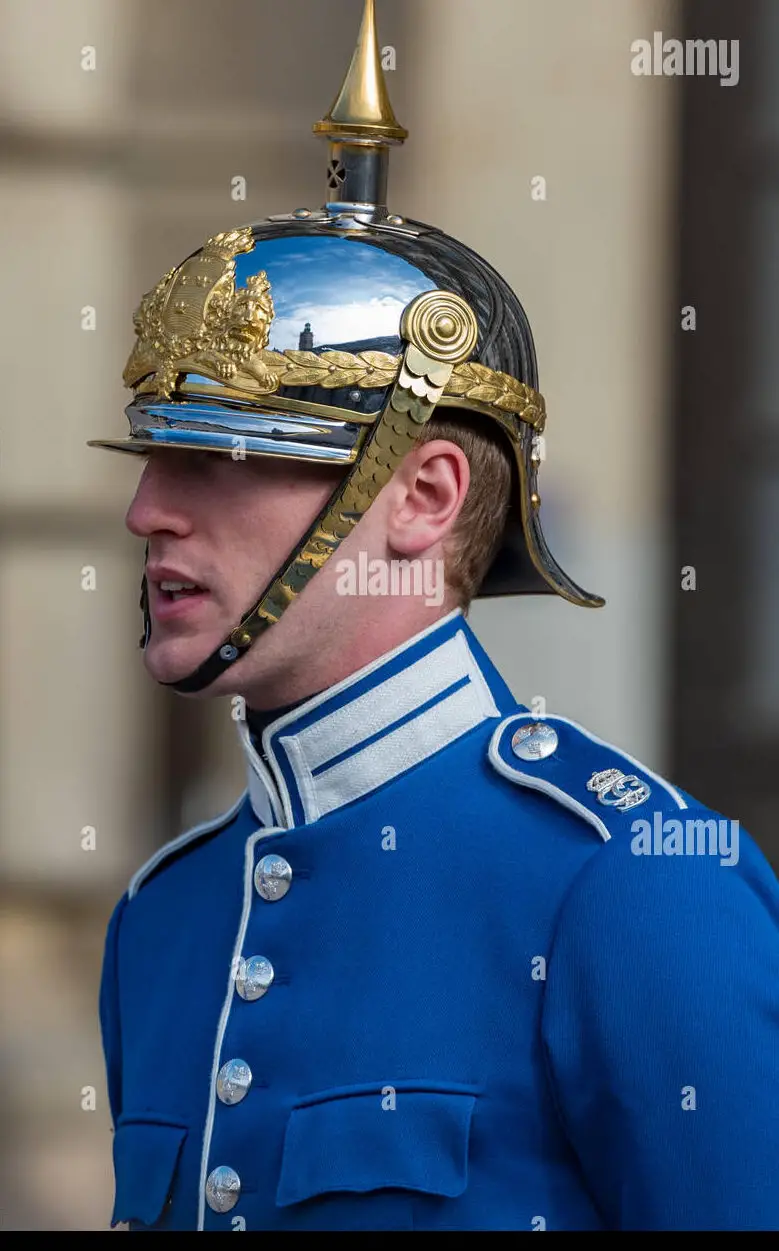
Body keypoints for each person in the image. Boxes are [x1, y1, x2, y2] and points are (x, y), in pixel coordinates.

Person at [93, 0, 779, 1233]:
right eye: (156, 456)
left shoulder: (630, 885)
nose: (149, 511)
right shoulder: (167, 912)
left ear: (421, 494)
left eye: (229, 458)